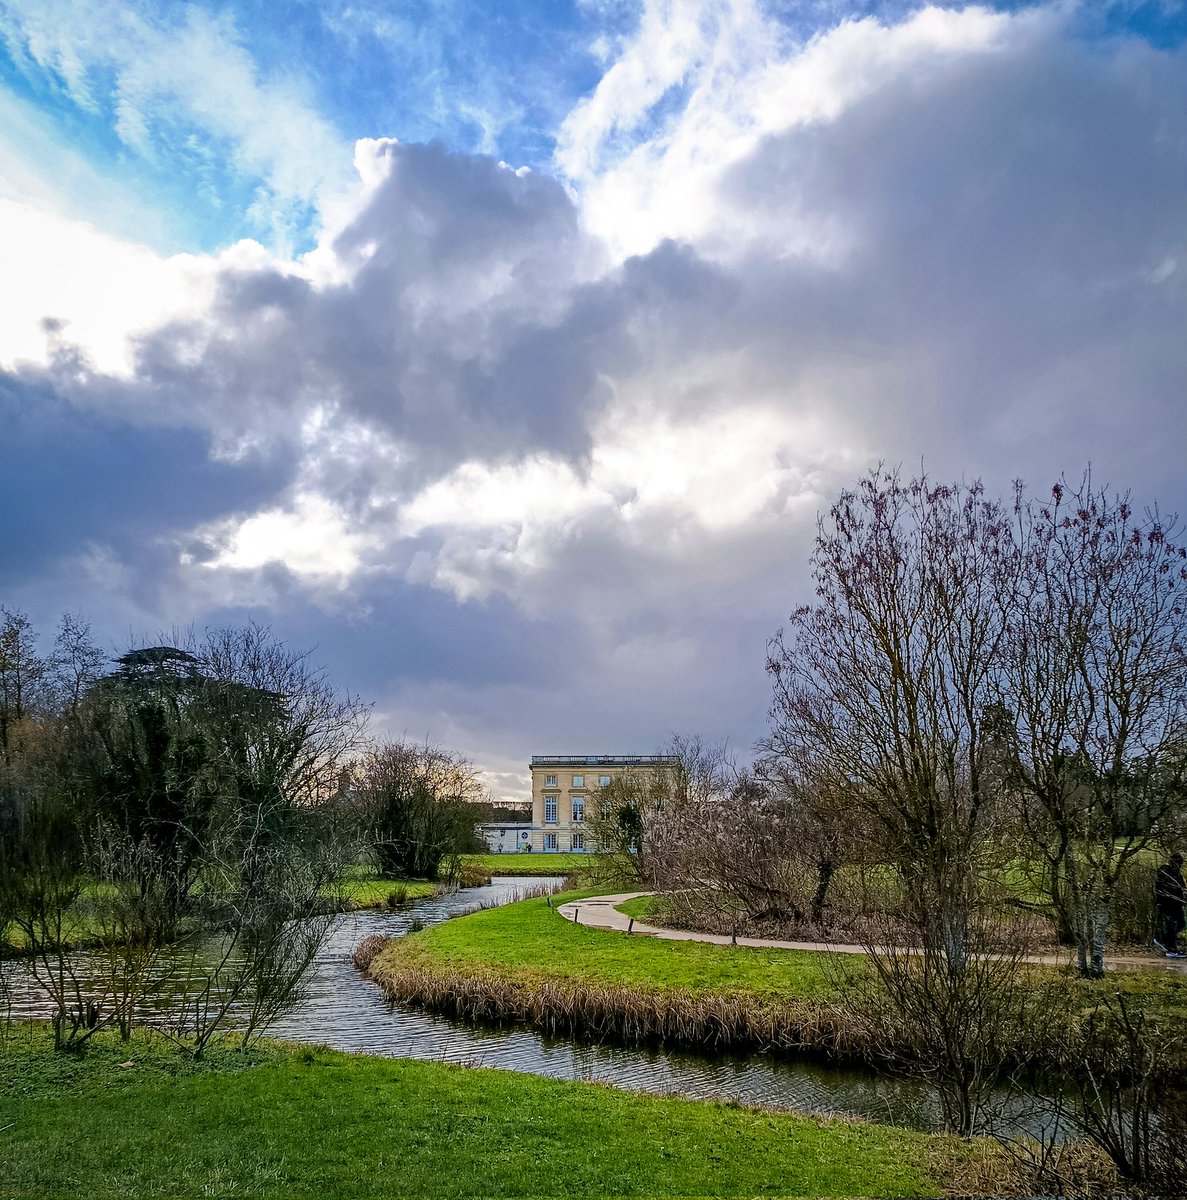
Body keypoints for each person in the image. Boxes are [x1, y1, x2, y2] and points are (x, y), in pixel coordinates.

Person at [1153, 852, 1186, 958]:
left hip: (1177, 903)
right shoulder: (1165, 871)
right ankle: (1170, 947)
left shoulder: (1177, 873)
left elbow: (1181, 887)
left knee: (1181, 923)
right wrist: (1159, 902)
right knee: (1172, 924)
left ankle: (1164, 940)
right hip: (1167, 902)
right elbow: (1160, 888)